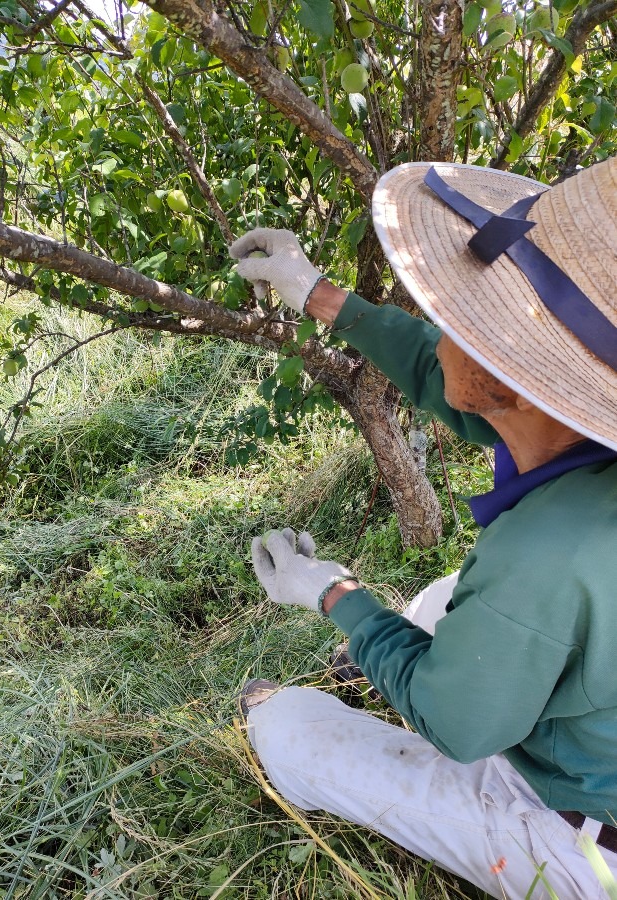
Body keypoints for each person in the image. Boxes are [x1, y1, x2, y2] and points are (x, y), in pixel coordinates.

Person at [228, 156, 617, 899]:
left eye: (463, 322)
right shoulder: (575, 436)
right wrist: (317, 295)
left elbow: (460, 728)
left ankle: (288, 716)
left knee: (295, 735)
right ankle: (391, 665)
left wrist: (334, 595)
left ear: (512, 376)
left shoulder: (544, 553)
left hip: (585, 833)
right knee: (444, 601)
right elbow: (450, 380)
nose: (441, 327)